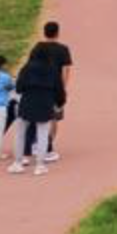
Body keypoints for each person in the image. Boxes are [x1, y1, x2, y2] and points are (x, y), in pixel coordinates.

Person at [10, 23, 72, 175]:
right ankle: (40, 166)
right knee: (43, 134)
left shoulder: (27, 68)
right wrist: (59, 103)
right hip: (45, 102)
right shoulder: (52, 71)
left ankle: (18, 162)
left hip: (27, 103)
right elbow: (59, 90)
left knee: (20, 134)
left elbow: (18, 87)